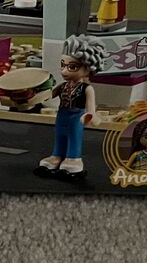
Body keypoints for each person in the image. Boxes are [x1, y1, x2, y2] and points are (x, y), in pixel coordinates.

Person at [36, 34, 108, 179]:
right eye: (63, 65)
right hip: (62, 115)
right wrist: (34, 94)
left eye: (72, 67)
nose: (64, 71)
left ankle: (73, 159)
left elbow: (90, 106)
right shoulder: (63, 86)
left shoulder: (87, 88)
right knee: (60, 135)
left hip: (76, 116)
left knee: (74, 137)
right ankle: (57, 155)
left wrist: (90, 114)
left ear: (88, 68)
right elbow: (49, 94)